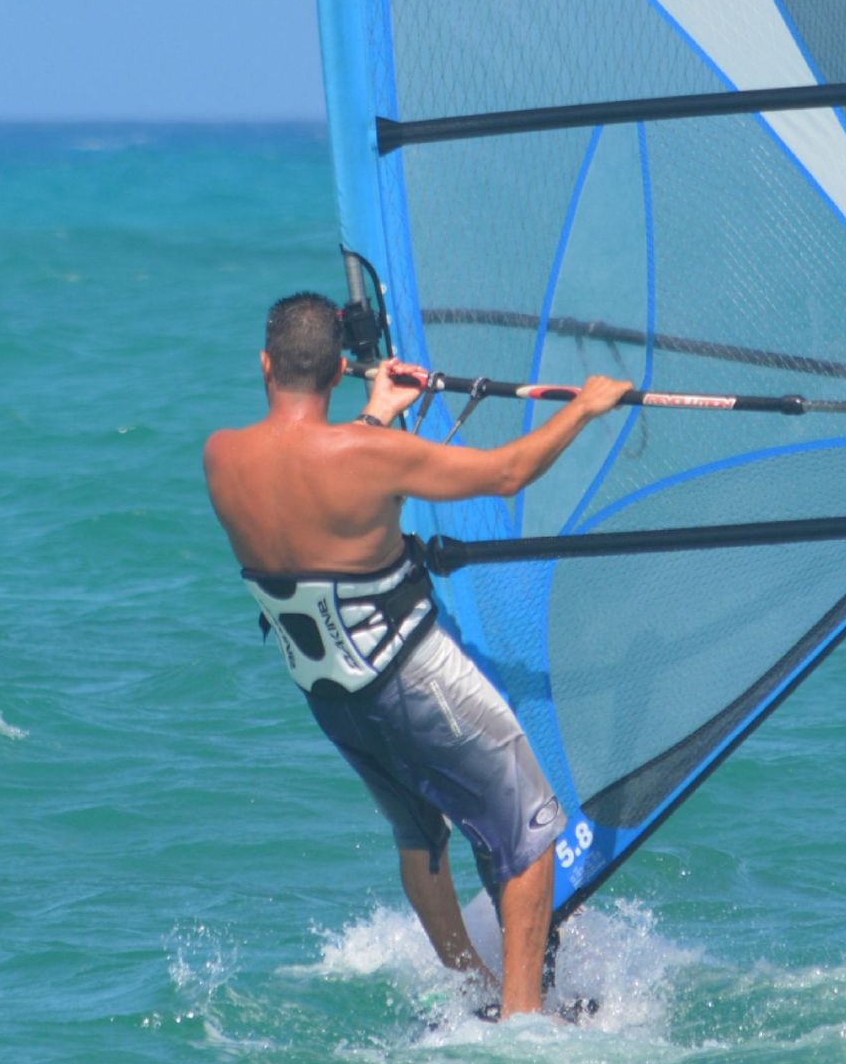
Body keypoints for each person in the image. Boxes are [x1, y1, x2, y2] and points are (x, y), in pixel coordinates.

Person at [204, 290, 631, 1020]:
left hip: (329, 693)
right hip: (407, 673)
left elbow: (319, 483)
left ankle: (474, 989)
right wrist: (585, 407)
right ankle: (522, 1022)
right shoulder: (373, 457)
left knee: (420, 832)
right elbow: (506, 473)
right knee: (532, 830)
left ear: (265, 365)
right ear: (338, 370)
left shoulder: (221, 456)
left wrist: (376, 418)